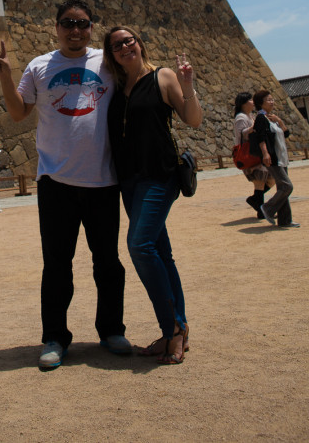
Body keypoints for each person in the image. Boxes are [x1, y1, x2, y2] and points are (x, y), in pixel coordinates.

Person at [0, 0, 130, 371]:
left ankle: (112, 329)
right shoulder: (39, 66)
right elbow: (19, 112)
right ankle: (54, 336)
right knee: (56, 265)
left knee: (109, 263)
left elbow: (140, 82)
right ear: (56, 27)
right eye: (68, 23)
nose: (75, 30)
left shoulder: (107, 62)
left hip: (103, 179)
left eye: (83, 23)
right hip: (55, 181)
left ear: (91, 28)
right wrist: (5, 75)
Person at [103, 25, 202, 365]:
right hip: (128, 181)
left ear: (140, 44)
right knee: (161, 251)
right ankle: (179, 327)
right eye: (117, 45)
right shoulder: (116, 87)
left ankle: (172, 328)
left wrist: (187, 87)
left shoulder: (163, 77)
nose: (125, 47)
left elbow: (192, 120)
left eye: (129, 41)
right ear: (111, 53)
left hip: (159, 177)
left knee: (140, 246)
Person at [252, 90, 299, 228]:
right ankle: (267, 208)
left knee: (282, 187)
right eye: (268, 100)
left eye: (272, 99)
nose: (272, 102)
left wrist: (280, 121)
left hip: (282, 157)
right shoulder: (261, 118)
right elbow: (261, 138)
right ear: (261, 103)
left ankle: (285, 220)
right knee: (286, 186)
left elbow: (286, 134)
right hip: (272, 158)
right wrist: (265, 154)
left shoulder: (272, 117)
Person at [233, 92, 273, 217]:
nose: (253, 101)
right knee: (260, 181)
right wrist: (255, 126)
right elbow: (242, 133)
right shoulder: (241, 117)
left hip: (255, 152)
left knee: (270, 179)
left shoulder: (250, 116)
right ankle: (261, 210)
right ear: (244, 103)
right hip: (248, 153)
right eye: (250, 99)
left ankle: (255, 200)